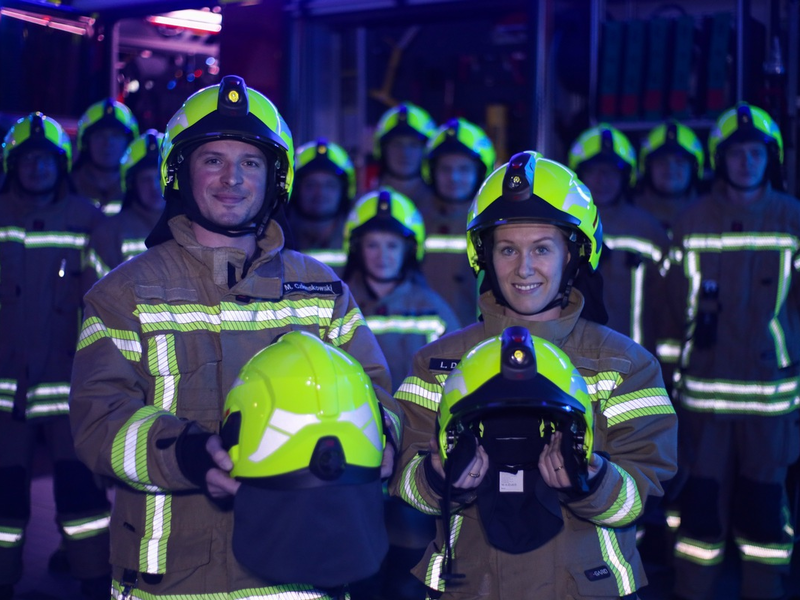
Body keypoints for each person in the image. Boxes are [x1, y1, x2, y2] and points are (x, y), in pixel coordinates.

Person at [69, 75, 402, 598]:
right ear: (180, 174)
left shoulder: (322, 289)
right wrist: (189, 456)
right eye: (213, 161)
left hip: (301, 573)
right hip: (172, 579)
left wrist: (384, 435)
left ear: (275, 179)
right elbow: (98, 421)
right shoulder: (123, 294)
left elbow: (377, 392)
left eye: (250, 163)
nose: (233, 179)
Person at [390, 150, 677, 599]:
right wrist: (438, 478)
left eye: (541, 248)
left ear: (575, 255)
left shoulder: (624, 365)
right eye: (508, 249)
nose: (523, 268)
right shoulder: (437, 363)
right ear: (484, 256)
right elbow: (405, 479)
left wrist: (593, 480)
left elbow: (642, 489)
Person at [663, 102, 799, 600]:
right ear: (721, 160)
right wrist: (668, 382)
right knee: (700, 511)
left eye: (755, 153)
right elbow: (673, 310)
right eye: (736, 153)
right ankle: (691, 592)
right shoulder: (690, 220)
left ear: (771, 158)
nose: (746, 162)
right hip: (704, 404)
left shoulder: (793, 219)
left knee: (765, 513)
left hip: (772, 403)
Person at [0, 113, 110, 600]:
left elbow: (112, 304)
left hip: (70, 387)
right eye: (28, 161)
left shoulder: (88, 220)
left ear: (62, 164)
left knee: (80, 493)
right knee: (3, 499)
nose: (37, 169)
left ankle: (93, 577)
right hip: (5, 391)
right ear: (12, 165)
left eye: (46, 160)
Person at [568, 124, 668, 357]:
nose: (602, 180)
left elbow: (667, 305)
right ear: (579, 174)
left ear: (626, 177)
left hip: (635, 362)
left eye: (611, 172)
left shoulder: (647, 229)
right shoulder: (561, 225)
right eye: (594, 170)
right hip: (571, 360)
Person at [419, 117, 496, 327]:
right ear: (432, 172)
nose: (453, 178)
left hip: (478, 339)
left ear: (479, 172)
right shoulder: (414, 222)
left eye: (463, 169)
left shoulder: (494, 225)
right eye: (445, 169)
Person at [87, 129, 165, 278]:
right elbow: (95, 297)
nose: (154, 186)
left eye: (160, 178)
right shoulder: (108, 234)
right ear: (132, 185)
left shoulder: (195, 226)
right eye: (145, 180)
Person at [286, 138, 356, 271]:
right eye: (311, 184)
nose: (320, 193)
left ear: (345, 191)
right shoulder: (275, 235)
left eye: (330, 185)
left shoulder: (358, 240)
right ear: (295, 189)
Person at [633, 120, 705, 238]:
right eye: (661, 161)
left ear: (694, 169)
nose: (670, 168)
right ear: (647, 168)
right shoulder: (630, 216)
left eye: (679, 162)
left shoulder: (710, 214)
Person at [71, 98, 139, 216]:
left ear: (129, 143)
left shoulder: (142, 188)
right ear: (86, 143)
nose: (108, 143)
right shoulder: (66, 188)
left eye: (116, 136)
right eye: (99, 136)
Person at [373, 102, 437, 207]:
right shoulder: (362, 206)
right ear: (382, 149)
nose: (404, 153)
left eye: (414, 145)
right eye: (396, 144)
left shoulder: (445, 207)